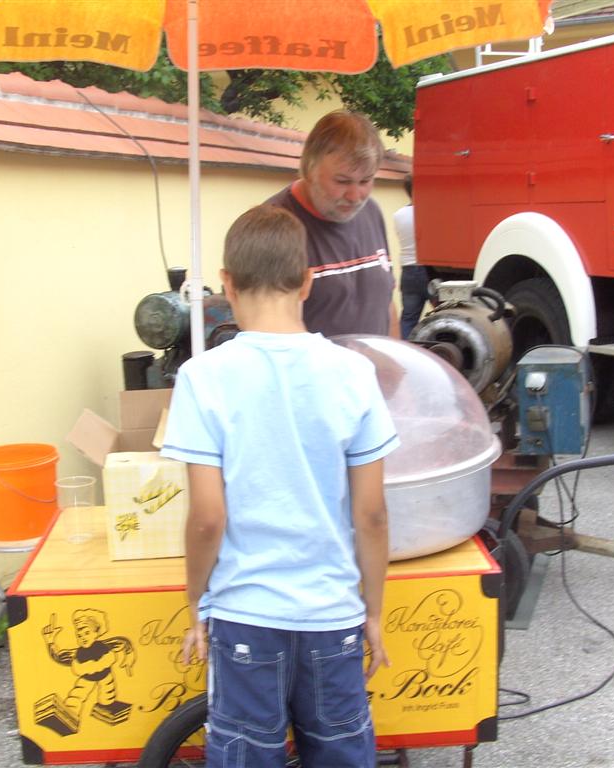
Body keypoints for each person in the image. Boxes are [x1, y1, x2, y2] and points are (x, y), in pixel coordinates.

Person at [160, 204, 400, 766]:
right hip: (332, 616)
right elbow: (372, 516)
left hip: (246, 618)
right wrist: (375, 611)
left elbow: (206, 519)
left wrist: (196, 602)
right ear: (309, 281)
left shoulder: (202, 377)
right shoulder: (353, 372)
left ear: (226, 284)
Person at [267, 110, 399, 338]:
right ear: (309, 169)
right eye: (342, 181)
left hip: (372, 371)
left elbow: (386, 305)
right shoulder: (273, 228)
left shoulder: (372, 212)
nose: (355, 196)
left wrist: (397, 362)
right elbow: (268, 332)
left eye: (366, 181)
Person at [393, 173, 429, 339]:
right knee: (447, 313)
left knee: (408, 318)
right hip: (430, 271)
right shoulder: (430, 212)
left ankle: (404, 352)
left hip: (408, 272)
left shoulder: (398, 215)